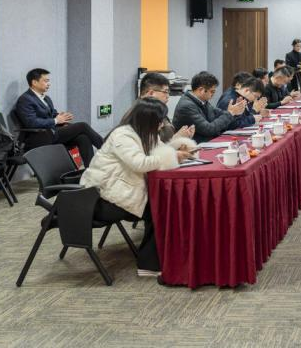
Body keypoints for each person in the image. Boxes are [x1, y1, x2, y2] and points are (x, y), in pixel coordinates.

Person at [80, 97, 196, 277]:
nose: (162, 124)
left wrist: (176, 149)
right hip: (102, 199)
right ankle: (149, 264)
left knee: (166, 203)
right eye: (160, 120)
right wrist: (173, 155)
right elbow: (139, 163)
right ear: (148, 119)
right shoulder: (122, 135)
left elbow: (159, 152)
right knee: (161, 208)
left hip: (124, 192)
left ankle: (163, 258)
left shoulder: (146, 133)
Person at [15, 68, 104, 166]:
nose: (49, 84)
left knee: (83, 138)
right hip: (40, 137)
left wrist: (62, 118)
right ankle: (107, 149)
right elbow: (31, 122)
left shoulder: (46, 98)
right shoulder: (25, 100)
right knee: (83, 126)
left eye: (48, 81)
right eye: (46, 81)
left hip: (53, 133)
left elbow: (53, 114)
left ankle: (91, 169)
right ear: (34, 82)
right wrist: (56, 120)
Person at [172, 71, 247, 143]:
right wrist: (230, 113)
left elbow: (219, 114)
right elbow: (208, 129)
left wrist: (235, 111)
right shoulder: (187, 106)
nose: (213, 95)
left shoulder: (202, 101)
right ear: (201, 90)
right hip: (194, 146)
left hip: (207, 142)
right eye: (212, 91)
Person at [137, 72, 195, 143]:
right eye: (165, 92)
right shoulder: (141, 116)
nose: (168, 96)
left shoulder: (159, 112)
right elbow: (154, 148)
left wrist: (182, 138)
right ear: (151, 93)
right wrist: (177, 139)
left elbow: (166, 141)